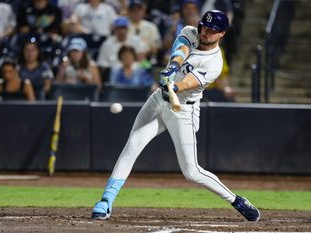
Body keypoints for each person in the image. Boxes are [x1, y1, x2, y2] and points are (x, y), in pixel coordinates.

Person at [91, 10, 260, 222]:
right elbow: (181, 50)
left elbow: (189, 83)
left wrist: (175, 85)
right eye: (204, 27)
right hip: (159, 99)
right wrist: (172, 68)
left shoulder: (214, 64)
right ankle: (106, 201)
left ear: (222, 34)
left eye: (212, 30)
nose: (205, 32)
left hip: (183, 110)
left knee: (192, 172)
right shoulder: (191, 31)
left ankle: (236, 200)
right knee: (133, 144)